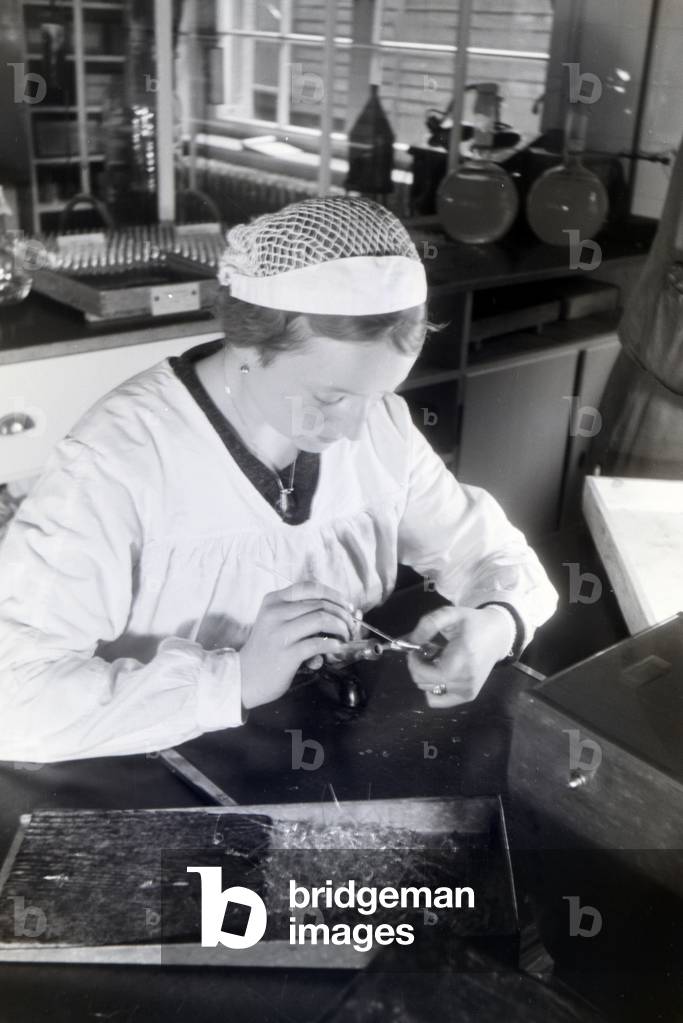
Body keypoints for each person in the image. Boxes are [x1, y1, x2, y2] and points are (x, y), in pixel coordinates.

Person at [0, 197, 557, 763]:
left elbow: (489, 551)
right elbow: (13, 699)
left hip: (312, 743)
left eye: (380, 392)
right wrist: (233, 679)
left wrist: (496, 624)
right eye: (330, 397)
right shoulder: (118, 461)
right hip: (142, 763)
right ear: (249, 345)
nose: (354, 427)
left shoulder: (376, 423)